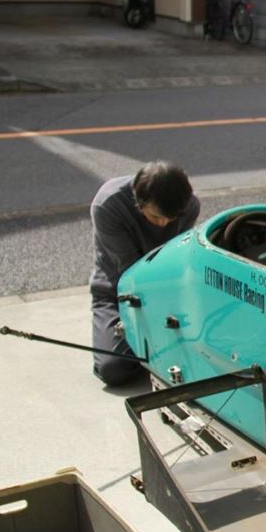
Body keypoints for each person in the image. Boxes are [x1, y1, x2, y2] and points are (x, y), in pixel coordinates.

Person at [89, 161, 200, 386]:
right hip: (119, 292)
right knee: (113, 369)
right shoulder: (109, 205)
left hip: (168, 288)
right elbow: (131, 273)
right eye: (157, 217)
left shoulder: (189, 206)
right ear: (138, 203)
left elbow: (179, 259)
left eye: (171, 218)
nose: (164, 224)